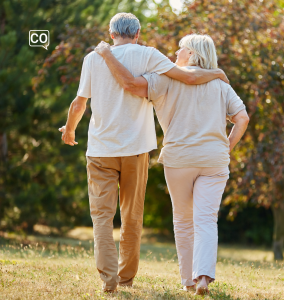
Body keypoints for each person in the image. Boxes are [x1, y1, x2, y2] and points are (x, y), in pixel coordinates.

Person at [59, 13, 229, 293]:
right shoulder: (149, 55)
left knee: (101, 217)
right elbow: (186, 76)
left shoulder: (93, 58)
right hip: (136, 150)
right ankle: (126, 278)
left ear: (111, 33)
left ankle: (108, 279)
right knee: (132, 216)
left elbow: (80, 103)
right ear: (137, 33)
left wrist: (69, 130)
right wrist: (217, 74)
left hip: (100, 150)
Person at [94, 33, 249, 295]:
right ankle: (203, 277)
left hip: (179, 159)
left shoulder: (164, 79)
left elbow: (131, 86)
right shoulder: (221, 83)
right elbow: (242, 118)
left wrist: (107, 56)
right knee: (207, 220)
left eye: (180, 49)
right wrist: (227, 146)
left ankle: (188, 282)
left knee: (183, 221)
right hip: (214, 159)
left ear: (191, 54)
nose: (175, 54)